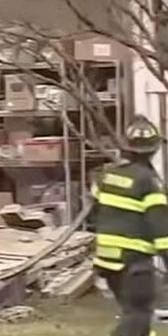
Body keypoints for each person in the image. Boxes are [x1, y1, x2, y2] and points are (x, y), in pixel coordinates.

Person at [92, 116, 168, 336]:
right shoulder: (147, 182)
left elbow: (97, 212)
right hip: (134, 262)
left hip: (107, 262)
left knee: (133, 314)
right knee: (138, 314)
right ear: (154, 150)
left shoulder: (107, 176)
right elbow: (161, 229)